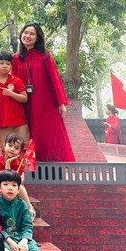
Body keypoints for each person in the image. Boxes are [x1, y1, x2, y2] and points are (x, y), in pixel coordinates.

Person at [11, 24, 75, 162]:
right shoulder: (16, 58)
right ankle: (33, 164)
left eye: (32, 34)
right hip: (26, 102)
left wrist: (61, 102)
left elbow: (55, 78)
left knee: (48, 133)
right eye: (25, 33)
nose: (27, 36)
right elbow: (13, 80)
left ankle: (53, 165)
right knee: (31, 133)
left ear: (37, 38)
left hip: (46, 102)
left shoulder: (44, 56)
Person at [0, 134, 35, 217]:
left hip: (12, 189)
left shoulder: (19, 163)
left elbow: (15, 180)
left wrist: (8, 166)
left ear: (20, 151)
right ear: (4, 146)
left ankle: (29, 208)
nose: (12, 149)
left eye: (16, 148)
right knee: (0, 184)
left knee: (19, 186)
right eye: (10, 145)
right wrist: (7, 165)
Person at [0, 50, 29, 150]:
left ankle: (22, 166)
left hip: (19, 122)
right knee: (5, 151)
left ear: (11, 66)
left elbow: (24, 98)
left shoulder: (16, 81)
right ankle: (6, 166)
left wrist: (11, 94)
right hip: (1, 122)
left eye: (8, 64)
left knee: (23, 148)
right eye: (1, 63)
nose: (5, 66)